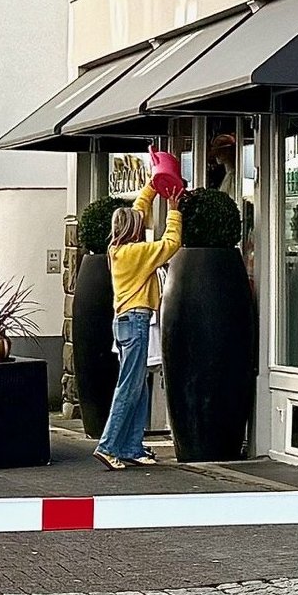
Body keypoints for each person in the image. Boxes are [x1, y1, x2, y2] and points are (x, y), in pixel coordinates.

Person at [97, 185, 181, 468]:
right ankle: (108, 446)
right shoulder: (137, 253)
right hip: (136, 322)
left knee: (138, 386)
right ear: (134, 230)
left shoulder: (116, 250)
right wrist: (173, 210)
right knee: (129, 387)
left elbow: (139, 212)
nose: (144, 224)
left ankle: (131, 446)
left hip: (123, 322)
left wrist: (152, 186)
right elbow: (171, 244)